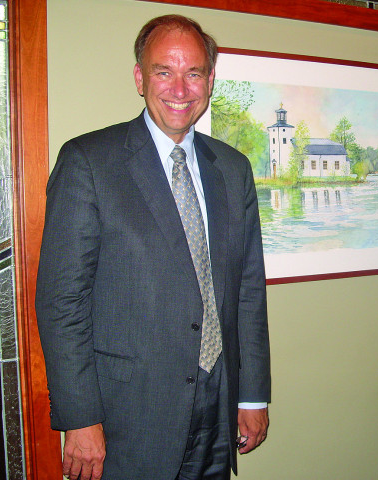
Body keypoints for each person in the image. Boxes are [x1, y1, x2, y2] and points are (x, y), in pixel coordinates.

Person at [35, 15, 270, 480]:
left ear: (210, 81)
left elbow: (248, 290)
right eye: (165, 71)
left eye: (194, 73)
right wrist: (80, 417)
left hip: (218, 408)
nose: (180, 89)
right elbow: (62, 302)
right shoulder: (89, 162)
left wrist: (252, 394)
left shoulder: (233, 168)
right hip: (129, 417)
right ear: (140, 78)